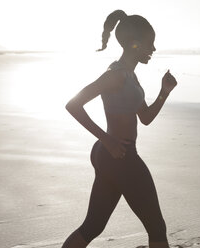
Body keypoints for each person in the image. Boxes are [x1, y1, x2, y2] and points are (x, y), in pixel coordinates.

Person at [61, 9, 177, 248]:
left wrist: (164, 93)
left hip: (111, 155)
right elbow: (73, 104)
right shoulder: (115, 75)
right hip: (120, 155)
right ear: (135, 44)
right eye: (150, 43)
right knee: (157, 228)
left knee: (93, 226)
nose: (153, 49)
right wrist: (108, 140)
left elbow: (144, 117)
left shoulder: (131, 77)